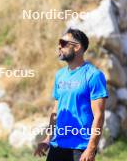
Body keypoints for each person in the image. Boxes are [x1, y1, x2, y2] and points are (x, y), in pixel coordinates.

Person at [34, 28, 108, 161]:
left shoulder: (94, 75)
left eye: (63, 43)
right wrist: (47, 138)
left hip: (80, 148)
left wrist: (91, 148)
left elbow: (99, 115)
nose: (59, 47)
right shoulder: (59, 75)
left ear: (77, 47)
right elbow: (56, 110)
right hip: (57, 145)